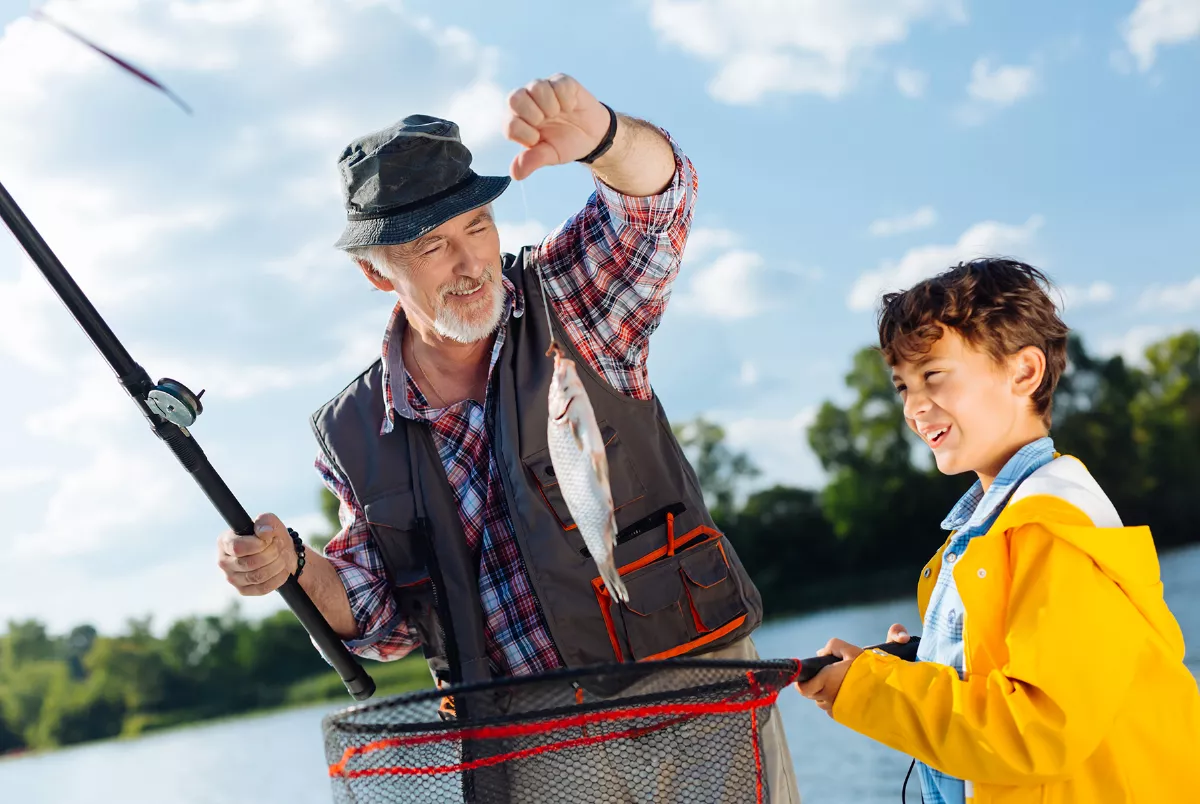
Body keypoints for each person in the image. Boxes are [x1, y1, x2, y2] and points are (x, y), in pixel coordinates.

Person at [216, 73, 800, 802]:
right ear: (374, 271)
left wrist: (604, 138)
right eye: (432, 247)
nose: (470, 265)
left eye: (478, 227)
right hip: (534, 738)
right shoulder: (351, 431)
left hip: (690, 689)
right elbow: (381, 624)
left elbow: (656, 206)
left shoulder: (570, 299)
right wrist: (292, 563)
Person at [796, 259, 1200, 802]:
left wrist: (872, 691)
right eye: (902, 386)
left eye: (934, 375)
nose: (915, 407)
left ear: (1024, 373)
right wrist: (924, 663)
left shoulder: (1052, 534)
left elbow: (1038, 727)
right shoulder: (992, 530)